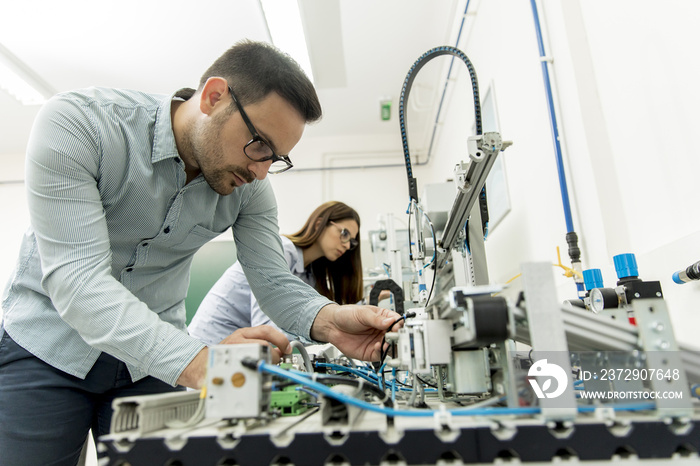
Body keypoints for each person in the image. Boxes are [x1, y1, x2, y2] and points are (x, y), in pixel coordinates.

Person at [0, 40, 401, 465]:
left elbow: (273, 281)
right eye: (259, 144)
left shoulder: (251, 188)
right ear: (213, 97)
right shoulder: (80, 124)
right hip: (45, 350)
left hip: (147, 367)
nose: (261, 171)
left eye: (276, 158)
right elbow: (79, 284)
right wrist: (202, 363)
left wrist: (331, 322)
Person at [189, 201, 365, 346]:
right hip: (210, 346)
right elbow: (266, 328)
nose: (347, 245)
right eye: (344, 234)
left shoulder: (309, 275)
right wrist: (325, 332)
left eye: (352, 242)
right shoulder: (282, 250)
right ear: (319, 224)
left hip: (238, 352)